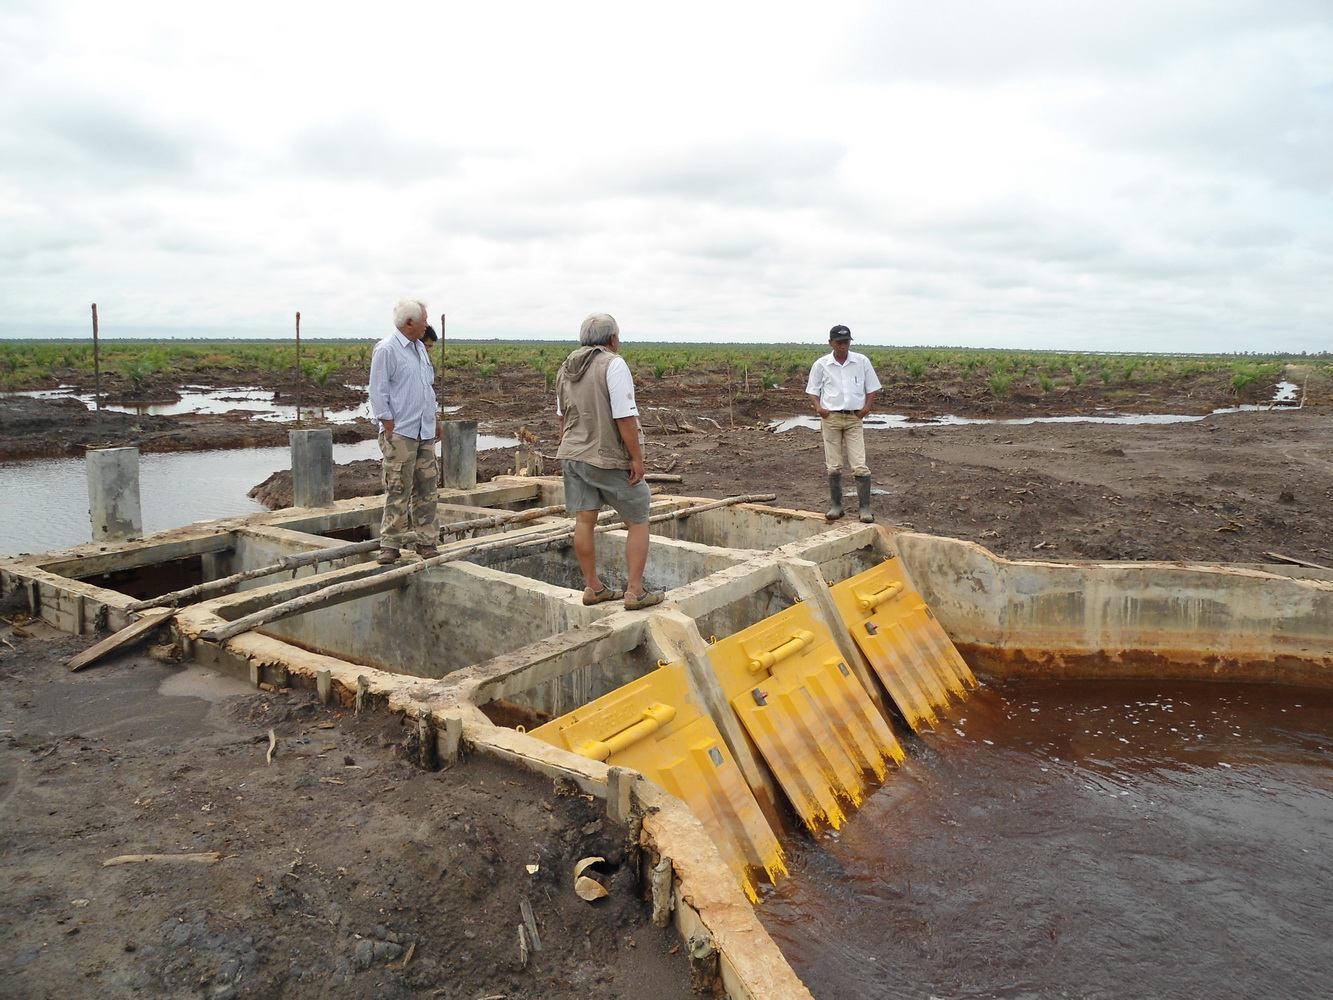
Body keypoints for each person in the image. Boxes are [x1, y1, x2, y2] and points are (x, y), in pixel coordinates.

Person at [554, 313, 661, 610]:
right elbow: (624, 416)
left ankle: (593, 587)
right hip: (605, 457)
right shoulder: (614, 364)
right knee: (638, 518)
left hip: (572, 454)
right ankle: (635, 591)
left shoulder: (566, 367)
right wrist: (636, 458)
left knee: (584, 520)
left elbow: (563, 418)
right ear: (612, 339)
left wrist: (570, 446)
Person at [368, 298, 443, 564]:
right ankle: (390, 544)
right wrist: (387, 423)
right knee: (398, 487)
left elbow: (427, 388)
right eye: (423, 320)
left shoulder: (420, 350)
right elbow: (377, 390)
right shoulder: (387, 349)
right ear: (409, 322)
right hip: (402, 432)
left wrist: (434, 419)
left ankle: (427, 542)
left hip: (424, 430)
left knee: (427, 488)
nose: (426, 325)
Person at [806, 324, 882, 522]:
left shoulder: (861, 361)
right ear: (830, 343)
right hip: (830, 418)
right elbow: (812, 389)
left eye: (846, 342)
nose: (843, 346)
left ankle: (865, 509)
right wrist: (819, 408)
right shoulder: (821, 364)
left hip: (854, 418)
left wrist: (867, 408)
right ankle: (836, 506)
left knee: (859, 465)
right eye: (839, 342)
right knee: (833, 466)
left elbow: (872, 386)